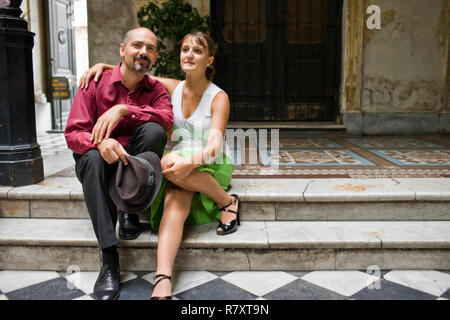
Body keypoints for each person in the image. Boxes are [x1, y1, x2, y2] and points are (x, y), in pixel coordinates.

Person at [80, 31, 240, 300]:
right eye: (185, 49)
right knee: (175, 201)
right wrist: (102, 67)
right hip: (178, 165)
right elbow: (134, 70)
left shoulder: (218, 97)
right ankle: (163, 278)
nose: (189, 54)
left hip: (209, 160)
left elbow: (213, 144)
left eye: (197, 51)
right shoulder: (173, 87)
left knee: (168, 162)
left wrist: (190, 162)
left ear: (209, 60)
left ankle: (225, 199)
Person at [65, 27, 173, 300]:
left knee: (154, 131)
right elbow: (73, 132)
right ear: (122, 50)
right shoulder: (94, 82)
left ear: (155, 56)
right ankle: (109, 259)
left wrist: (125, 109)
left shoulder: (156, 89)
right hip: (100, 164)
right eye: (137, 45)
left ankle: (130, 208)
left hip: (133, 166)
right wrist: (100, 143)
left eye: (150, 48)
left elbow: (167, 122)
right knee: (91, 158)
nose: (143, 52)